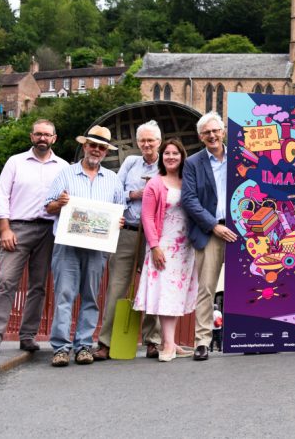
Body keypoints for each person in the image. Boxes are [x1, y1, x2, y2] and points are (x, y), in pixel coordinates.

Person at [0, 120, 69, 356]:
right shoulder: (15, 162)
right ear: (31, 137)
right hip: (18, 227)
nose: (42, 138)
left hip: (49, 230)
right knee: (6, 281)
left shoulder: (64, 167)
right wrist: (4, 229)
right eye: (38, 134)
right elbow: (2, 196)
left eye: (47, 135)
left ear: (54, 139)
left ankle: (27, 336)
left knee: (38, 287)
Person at [44, 125, 125, 367]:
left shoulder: (112, 180)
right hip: (67, 245)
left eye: (101, 147)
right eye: (93, 145)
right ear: (84, 146)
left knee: (91, 296)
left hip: (97, 247)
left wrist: (119, 221)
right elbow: (47, 207)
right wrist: (59, 202)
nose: (97, 150)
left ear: (105, 151)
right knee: (64, 295)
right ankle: (60, 348)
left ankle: (83, 345)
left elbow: (121, 213)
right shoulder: (65, 174)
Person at [94, 120, 163, 361]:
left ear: (159, 142)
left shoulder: (166, 166)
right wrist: (134, 194)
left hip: (154, 236)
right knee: (117, 288)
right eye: (142, 140)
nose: (146, 145)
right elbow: (115, 191)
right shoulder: (131, 163)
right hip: (128, 232)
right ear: (137, 142)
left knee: (153, 287)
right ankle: (105, 342)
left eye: (151, 141)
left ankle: (153, 341)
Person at [133, 139, 197, 362]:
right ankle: (167, 344)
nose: (171, 157)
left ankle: (171, 340)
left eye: (175, 153)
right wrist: (155, 246)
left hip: (186, 247)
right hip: (164, 244)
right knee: (165, 293)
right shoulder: (155, 183)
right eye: (167, 153)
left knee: (177, 293)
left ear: (182, 156)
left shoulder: (188, 180)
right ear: (162, 157)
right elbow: (147, 217)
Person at [182, 111, 238, 361]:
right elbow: (189, 199)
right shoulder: (193, 163)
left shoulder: (239, 157)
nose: (212, 135)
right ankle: (202, 341)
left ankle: (246, 335)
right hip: (211, 230)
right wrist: (214, 225)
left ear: (223, 131)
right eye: (207, 132)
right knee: (206, 287)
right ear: (200, 136)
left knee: (245, 286)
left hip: (240, 230)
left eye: (216, 130)